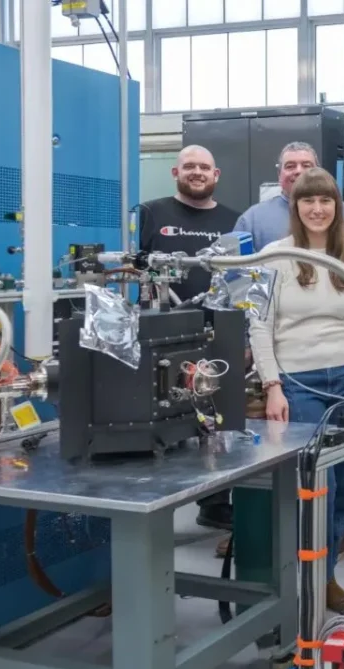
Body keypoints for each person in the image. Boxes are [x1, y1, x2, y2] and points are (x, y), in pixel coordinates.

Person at [247, 167, 344, 614]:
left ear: (338, 207)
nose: (318, 209)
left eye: (326, 200)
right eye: (308, 200)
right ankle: (305, 579)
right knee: (311, 488)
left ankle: (323, 577)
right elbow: (258, 324)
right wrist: (272, 386)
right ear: (295, 206)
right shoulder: (274, 255)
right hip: (297, 383)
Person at [137, 144, 241, 538]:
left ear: (216, 175)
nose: (197, 172)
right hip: (162, 339)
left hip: (218, 336)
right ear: (175, 172)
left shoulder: (233, 219)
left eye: (204, 167)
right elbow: (134, 268)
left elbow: (241, 280)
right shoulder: (150, 214)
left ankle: (215, 502)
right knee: (162, 419)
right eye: (189, 166)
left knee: (217, 421)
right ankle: (155, 504)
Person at [233, 141, 344, 251]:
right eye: (290, 166)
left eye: (306, 166)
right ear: (279, 174)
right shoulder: (252, 220)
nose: (298, 171)